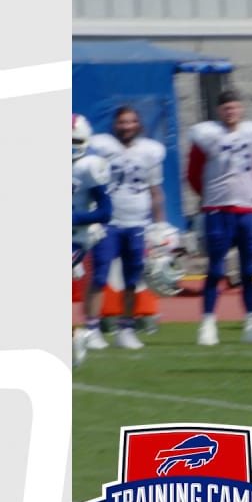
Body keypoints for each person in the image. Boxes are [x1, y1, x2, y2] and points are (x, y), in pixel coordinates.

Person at [188, 90, 252, 346]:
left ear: (241, 109)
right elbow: (193, 173)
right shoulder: (207, 136)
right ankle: (208, 323)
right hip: (217, 210)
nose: (230, 112)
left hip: (247, 211)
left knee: (249, 270)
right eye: (226, 108)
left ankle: (251, 322)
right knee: (215, 269)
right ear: (218, 111)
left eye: (234, 107)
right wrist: (211, 198)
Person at [83, 105, 167, 351]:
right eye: (122, 122)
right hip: (108, 223)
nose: (127, 126)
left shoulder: (150, 152)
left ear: (138, 124)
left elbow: (156, 192)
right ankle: (92, 328)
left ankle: (126, 327)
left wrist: (160, 226)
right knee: (99, 276)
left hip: (138, 224)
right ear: (115, 124)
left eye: (131, 121)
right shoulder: (101, 148)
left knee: (132, 279)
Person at [72, 113, 111, 368]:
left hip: (75, 238)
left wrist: (75, 217)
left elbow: (106, 212)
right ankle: (74, 337)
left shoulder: (88, 166)